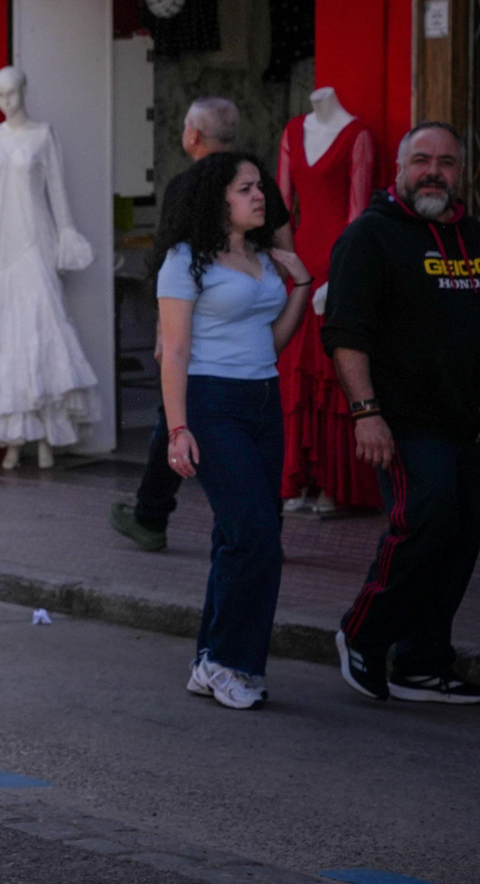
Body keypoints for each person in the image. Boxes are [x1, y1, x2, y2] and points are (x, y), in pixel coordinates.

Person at [327, 123, 480, 703]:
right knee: (425, 517)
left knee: (461, 536)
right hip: (401, 423)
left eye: (445, 161)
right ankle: (363, 634)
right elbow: (346, 333)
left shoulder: (472, 235)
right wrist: (366, 412)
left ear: (460, 171)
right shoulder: (370, 237)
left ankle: (421, 662)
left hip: (465, 422)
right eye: (421, 160)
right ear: (398, 168)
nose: (433, 171)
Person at [157, 152, 312, 709]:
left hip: (263, 401)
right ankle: (229, 662)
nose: (258, 196)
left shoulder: (266, 258)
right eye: (245, 188)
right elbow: (172, 349)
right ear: (217, 198)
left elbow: (268, 343)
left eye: (259, 187)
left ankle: (213, 661)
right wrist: (178, 429)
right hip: (212, 403)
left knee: (238, 538)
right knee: (255, 539)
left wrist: (299, 288)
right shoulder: (185, 260)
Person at [113, 97, 241, 550]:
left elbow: (165, 252)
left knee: (175, 414)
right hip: (243, 331)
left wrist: (162, 330)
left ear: (193, 136)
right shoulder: (253, 179)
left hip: (194, 322)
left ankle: (150, 516)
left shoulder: (188, 184)